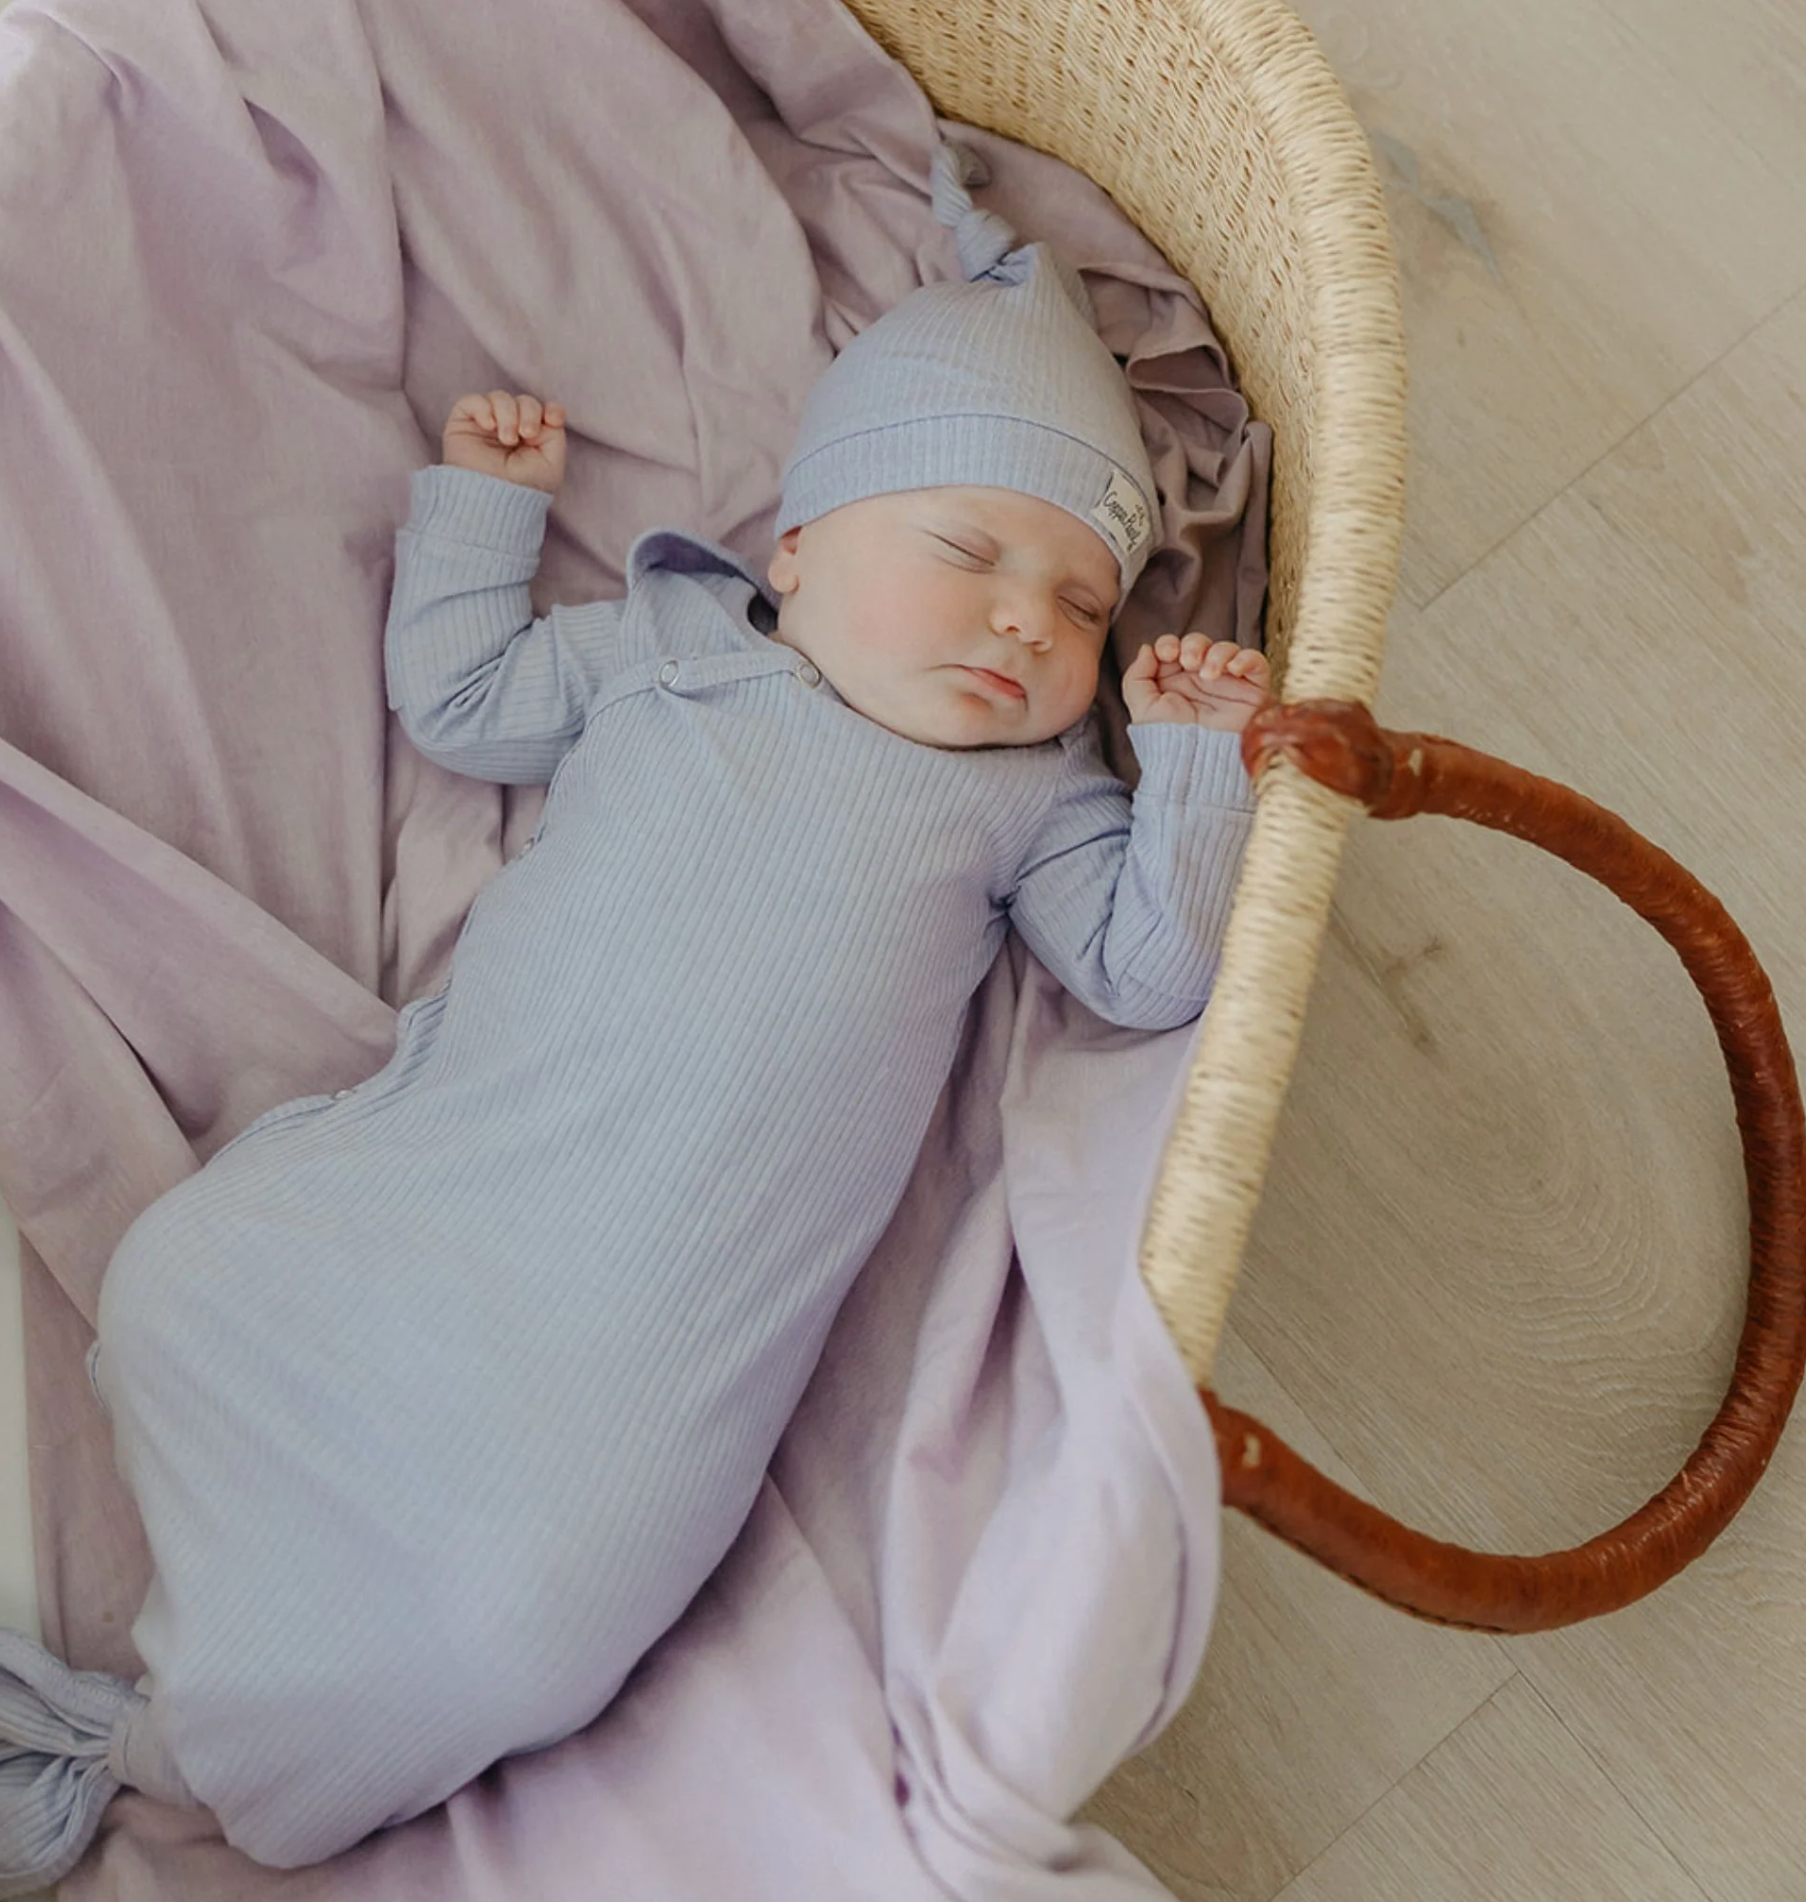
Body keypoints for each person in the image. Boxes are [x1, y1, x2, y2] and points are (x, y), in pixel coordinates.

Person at [0, 140, 1267, 1891]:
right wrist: (483, 510)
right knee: (179, 1287)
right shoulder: (670, 642)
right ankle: (182, 1626)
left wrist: (1194, 764)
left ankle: (184, 1735)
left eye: (1076, 604)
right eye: (969, 548)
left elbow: (1150, 971)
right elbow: (461, 698)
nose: (1017, 622)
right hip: (442, 1193)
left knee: (529, 1615)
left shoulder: (1028, 802)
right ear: (802, 550)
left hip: (641, 1344)